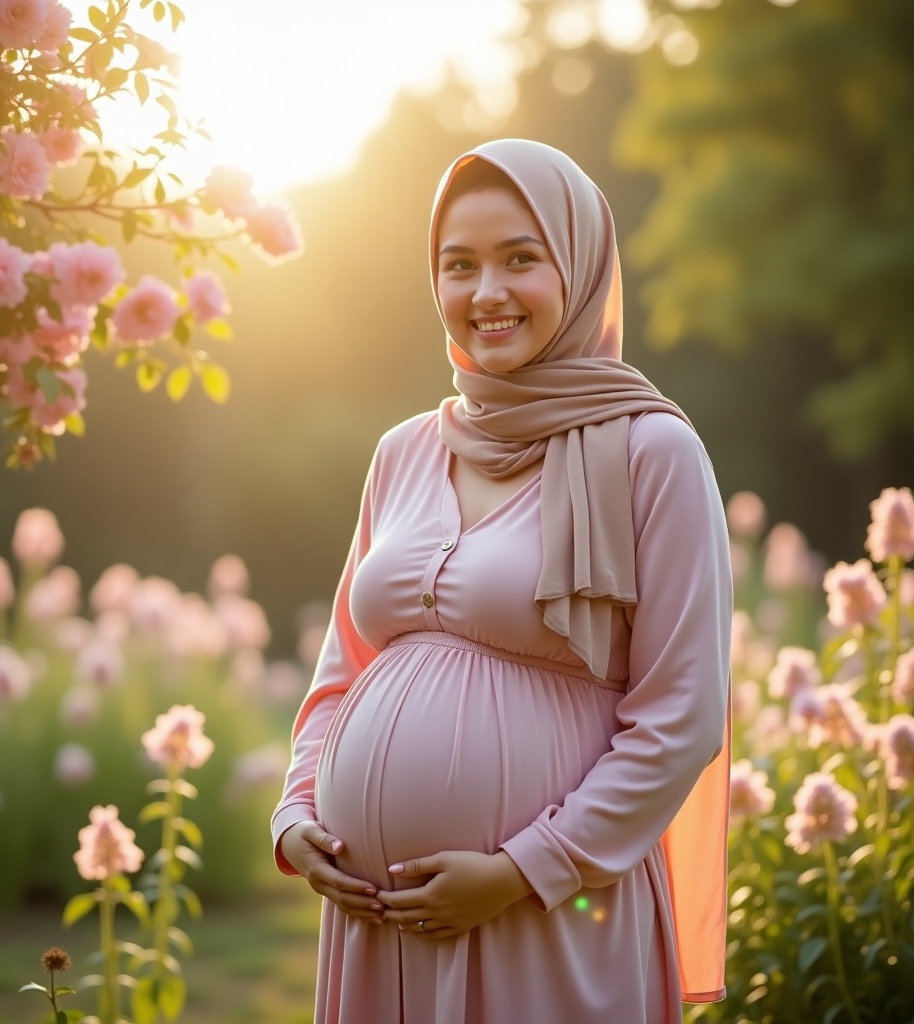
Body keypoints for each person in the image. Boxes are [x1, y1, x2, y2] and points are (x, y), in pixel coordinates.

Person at [271, 138, 732, 1024]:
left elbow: (681, 719)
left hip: (547, 914)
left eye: (521, 258)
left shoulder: (652, 453)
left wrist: (525, 870)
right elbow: (343, 672)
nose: (485, 291)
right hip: (377, 925)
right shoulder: (403, 451)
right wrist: (296, 815)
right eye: (459, 265)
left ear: (581, 266)